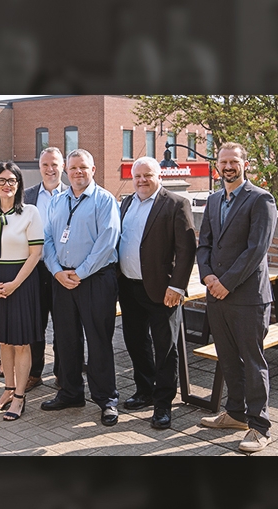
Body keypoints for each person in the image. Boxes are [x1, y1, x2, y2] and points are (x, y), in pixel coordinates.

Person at [197, 142, 277, 452]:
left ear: (244, 164)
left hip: (247, 298)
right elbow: (204, 244)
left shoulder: (261, 199)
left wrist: (226, 282)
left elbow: (256, 249)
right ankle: (236, 414)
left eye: (234, 161)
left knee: (252, 362)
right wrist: (207, 277)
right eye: (223, 161)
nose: (228, 166)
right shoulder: (214, 199)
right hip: (216, 294)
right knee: (228, 359)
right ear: (216, 165)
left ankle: (259, 427)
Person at [41, 149, 121, 427]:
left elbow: (107, 240)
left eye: (83, 168)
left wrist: (82, 272)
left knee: (98, 341)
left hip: (96, 279)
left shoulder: (104, 200)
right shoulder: (57, 201)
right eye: (73, 168)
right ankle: (71, 392)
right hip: (62, 279)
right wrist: (57, 271)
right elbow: (48, 238)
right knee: (66, 340)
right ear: (67, 171)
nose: (77, 172)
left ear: (93, 169)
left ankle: (106, 399)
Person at [118, 156, 196, 429]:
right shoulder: (126, 203)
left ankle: (164, 404)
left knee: (166, 348)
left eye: (147, 175)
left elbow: (187, 250)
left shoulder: (175, 204)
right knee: (135, 342)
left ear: (158, 176)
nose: (141, 180)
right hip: (128, 286)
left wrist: (177, 286)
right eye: (137, 175)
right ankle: (145, 390)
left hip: (163, 290)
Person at [0, 161, 43, 421]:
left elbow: (35, 253)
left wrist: (14, 284)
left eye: (12, 181)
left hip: (22, 281)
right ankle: (7, 389)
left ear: (19, 185)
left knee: (21, 341)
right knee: (3, 340)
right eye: (2, 180)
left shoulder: (30, 212)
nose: (7, 185)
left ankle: (19, 397)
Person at [23, 146, 68, 392]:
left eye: (54, 165)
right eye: (45, 165)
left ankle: (62, 373)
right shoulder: (27, 196)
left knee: (63, 325)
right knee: (35, 324)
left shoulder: (73, 195)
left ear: (62, 167)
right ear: (39, 167)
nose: (50, 169)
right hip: (35, 270)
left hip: (62, 270)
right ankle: (33, 373)